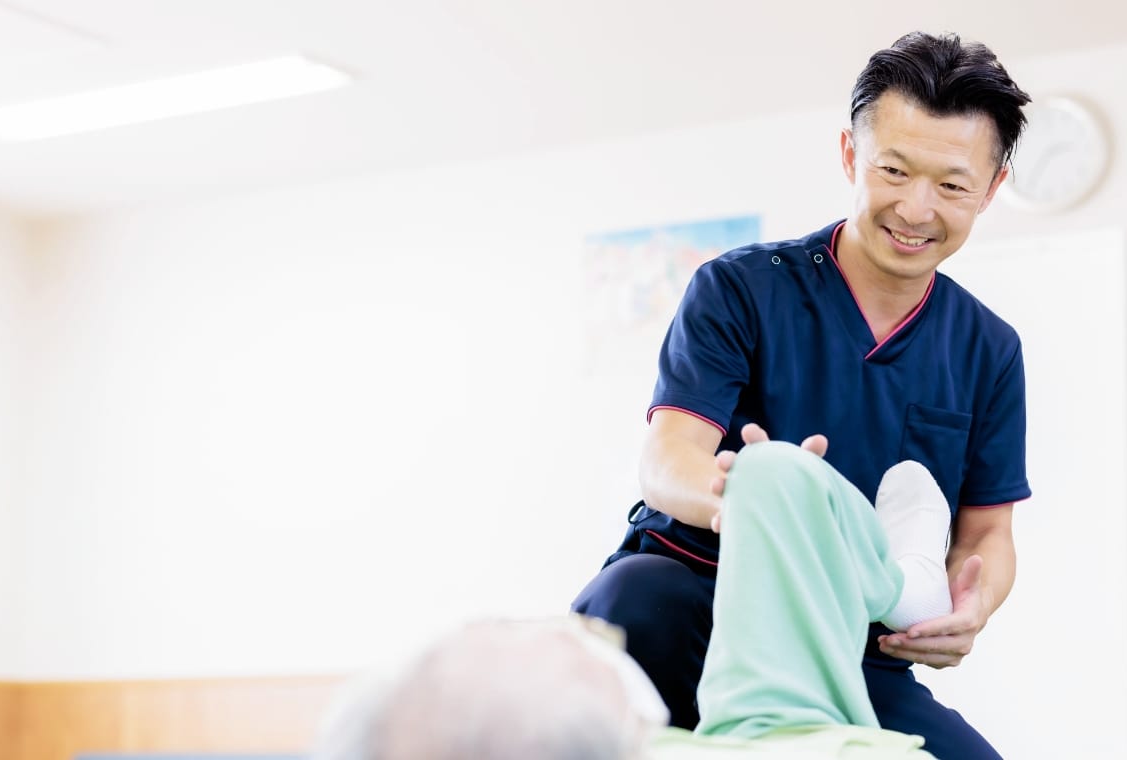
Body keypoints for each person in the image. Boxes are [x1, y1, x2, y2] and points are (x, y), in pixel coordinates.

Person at [572, 31, 1034, 760]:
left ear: (992, 188)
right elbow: (668, 457)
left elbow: (986, 533)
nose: (916, 209)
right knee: (632, 612)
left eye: (951, 186)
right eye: (893, 170)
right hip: (691, 595)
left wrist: (970, 605)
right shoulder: (739, 289)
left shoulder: (988, 349)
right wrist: (762, 504)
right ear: (851, 155)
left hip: (851, 644)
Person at [313, 443, 960, 759]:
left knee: (758, 487)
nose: (555, 633)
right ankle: (904, 589)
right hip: (792, 737)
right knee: (776, 475)